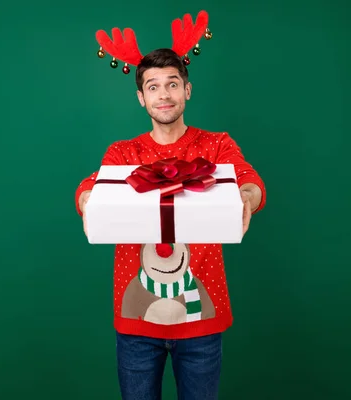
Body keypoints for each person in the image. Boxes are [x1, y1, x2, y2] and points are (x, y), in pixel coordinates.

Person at [75, 12, 266, 400]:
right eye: (154, 86)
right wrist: (86, 200)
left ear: (188, 90)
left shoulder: (216, 144)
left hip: (202, 321)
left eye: (172, 84)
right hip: (136, 323)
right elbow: (90, 186)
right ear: (141, 97)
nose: (164, 94)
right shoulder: (123, 152)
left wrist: (247, 197)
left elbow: (250, 180)